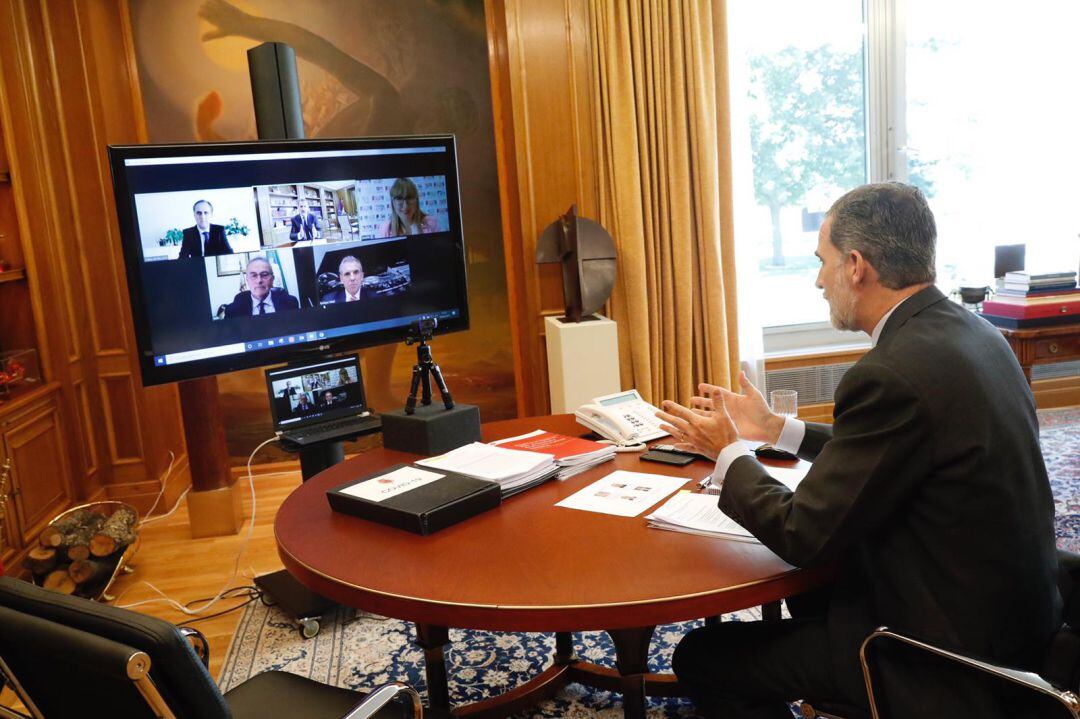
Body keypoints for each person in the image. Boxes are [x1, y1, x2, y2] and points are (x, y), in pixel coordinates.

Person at [657, 183, 1060, 718]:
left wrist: (730, 453)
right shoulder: (976, 333)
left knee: (702, 655)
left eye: (822, 262)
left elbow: (803, 535)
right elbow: (894, 450)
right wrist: (778, 428)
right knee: (809, 599)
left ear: (855, 265)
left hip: (939, 651)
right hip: (1013, 611)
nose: (818, 280)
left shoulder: (891, 373)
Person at [223, 257, 300, 318]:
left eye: (264, 274)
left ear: (272, 279)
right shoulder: (232, 310)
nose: (259, 280)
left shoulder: (290, 303)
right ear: (247, 280)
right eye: (253, 275)